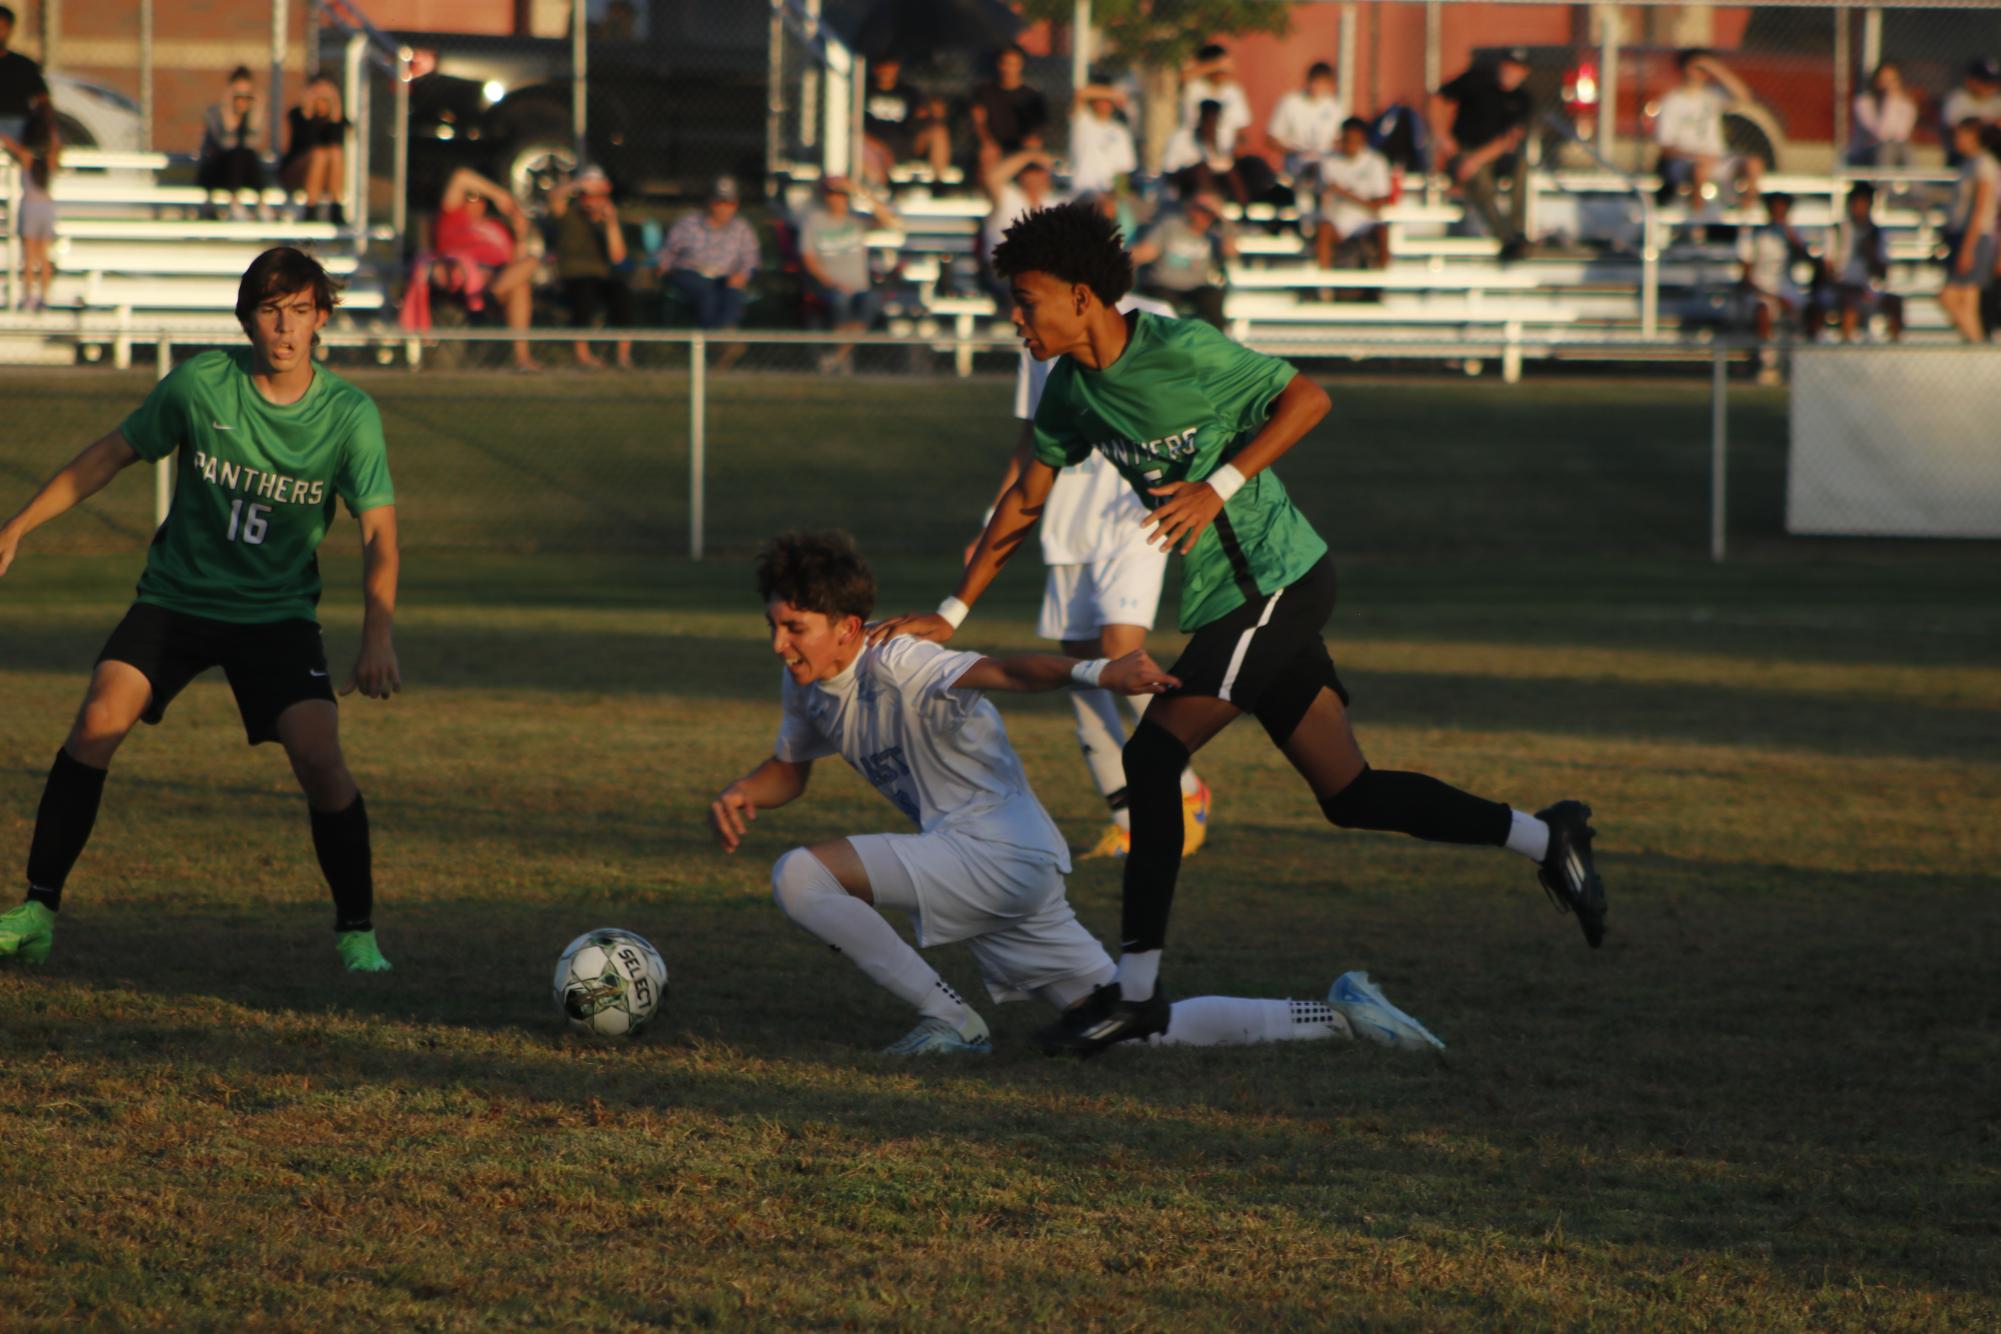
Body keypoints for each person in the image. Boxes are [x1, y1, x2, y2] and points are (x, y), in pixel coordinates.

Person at [867, 202, 1607, 1056]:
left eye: (1026, 299)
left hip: (1279, 581)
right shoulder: (1068, 389)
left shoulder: (1182, 349)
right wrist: (955, 610)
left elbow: (1308, 397)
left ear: (1080, 296)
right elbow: (1026, 499)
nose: (1015, 317)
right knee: (1351, 794)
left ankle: (1134, 995)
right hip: (1231, 599)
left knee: (1150, 757)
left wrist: (1217, 483)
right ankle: (1546, 837)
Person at [709, 530, 1446, 1056]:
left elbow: (1007, 671)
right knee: (1135, 1029)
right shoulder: (804, 682)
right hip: (1012, 866)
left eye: (794, 628)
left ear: (845, 626)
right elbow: (791, 768)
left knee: (800, 876)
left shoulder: (898, 658)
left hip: (988, 854)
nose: (779, 643)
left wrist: (1099, 673)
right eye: (774, 626)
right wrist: (748, 791)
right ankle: (1336, 1014)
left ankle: (949, 1022)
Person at [0, 248, 400, 972]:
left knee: (319, 758)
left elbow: (379, 533)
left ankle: (357, 930)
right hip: (177, 600)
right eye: (270, 311)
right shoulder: (200, 385)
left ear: (322, 319)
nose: (283, 328)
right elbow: (110, 455)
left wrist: (377, 637)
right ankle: (36, 909)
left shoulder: (348, 415)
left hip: (276, 615)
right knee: (97, 720)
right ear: (247, 318)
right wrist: (18, 526)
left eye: (300, 311)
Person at [971, 290, 1213, 862]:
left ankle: (1185, 790)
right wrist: (991, 523)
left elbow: (1193, 411)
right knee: (1082, 670)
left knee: (1119, 649)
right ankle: (1128, 816)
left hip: (1133, 511)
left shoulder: (1154, 318)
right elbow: (1032, 437)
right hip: (1068, 520)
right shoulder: (1037, 327)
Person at [435, 166, 541, 372]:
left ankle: (522, 359)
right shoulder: (452, 218)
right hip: (466, 276)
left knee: (527, 269)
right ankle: (494, 292)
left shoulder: (498, 227)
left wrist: (520, 235)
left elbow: (515, 262)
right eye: (472, 197)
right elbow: (460, 176)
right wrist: (499, 195)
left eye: (480, 199)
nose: (477, 202)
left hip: (500, 276)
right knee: (522, 277)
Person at [1432, 48, 1533, 261]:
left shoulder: (1522, 100)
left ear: (1524, 72)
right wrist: (1441, 135)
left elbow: (1508, 141)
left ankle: (1516, 229)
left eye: (1516, 68)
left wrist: (1475, 160)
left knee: (1522, 166)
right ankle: (1507, 238)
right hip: (1464, 150)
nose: (1510, 72)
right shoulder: (1476, 82)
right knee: (1479, 180)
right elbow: (1437, 98)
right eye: (1507, 66)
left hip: (1490, 156)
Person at [798, 175, 900, 374]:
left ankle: (837, 358)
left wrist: (860, 191)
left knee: (872, 300)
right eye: (833, 194)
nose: (837, 199)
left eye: (842, 194)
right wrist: (830, 282)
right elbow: (808, 260)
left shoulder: (856, 220)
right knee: (840, 301)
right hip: (829, 286)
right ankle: (843, 360)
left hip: (859, 287)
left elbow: (889, 221)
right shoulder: (814, 222)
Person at [549, 164, 633, 371]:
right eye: (587, 195)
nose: (592, 201)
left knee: (622, 294)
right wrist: (579, 184)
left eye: (597, 195)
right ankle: (583, 355)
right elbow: (554, 198)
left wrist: (611, 223)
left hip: (602, 276)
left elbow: (618, 257)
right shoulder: (568, 214)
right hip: (573, 274)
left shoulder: (610, 219)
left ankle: (623, 356)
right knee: (584, 295)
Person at [1653, 49, 1762, 206]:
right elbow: (1665, 146)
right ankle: (1697, 214)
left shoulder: (1713, 96)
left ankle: (1746, 211)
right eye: (1697, 68)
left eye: (1704, 70)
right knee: (1701, 169)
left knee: (1754, 164)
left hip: (1716, 158)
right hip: (1686, 161)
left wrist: (1716, 69)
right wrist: (1696, 156)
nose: (1701, 73)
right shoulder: (1672, 101)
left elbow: (1744, 96)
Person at [658, 175, 760, 342]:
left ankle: (725, 335)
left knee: (732, 291)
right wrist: (663, 266)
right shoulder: (688, 223)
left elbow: (751, 258)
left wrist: (742, 274)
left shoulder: (742, 228)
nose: (724, 208)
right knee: (707, 291)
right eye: (719, 202)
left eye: (729, 203)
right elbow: (667, 252)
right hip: (690, 273)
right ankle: (714, 340)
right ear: (710, 201)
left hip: (725, 276)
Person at [1129, 192, 1235, 328]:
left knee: (1213, 298)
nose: (1202, 217)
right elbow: (1148, 251)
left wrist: (1223, 217)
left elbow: (1230, 251)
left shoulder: (1213, 236)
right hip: (1164, 285)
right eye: (1199, 210)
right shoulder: (1170, 226)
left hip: (1195, 287)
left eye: (1208, 213)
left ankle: (1217, 341)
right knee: (1163, 304)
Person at [1738, 192, 1814, 381]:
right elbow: (1746, 278)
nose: (1779, 212)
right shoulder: (1753, 235)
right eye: (1775, 208)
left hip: (1787, 289)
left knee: (1810, 309)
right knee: (1763, 310)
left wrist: (1793, 240)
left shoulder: (1793, 235)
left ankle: (1797, 363)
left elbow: (1809, 265)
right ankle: (1767, 364)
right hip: (1760, 289)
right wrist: (1773, 297)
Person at [1817, 183, 1903, 343]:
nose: (1861, 209)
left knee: (1894, 302)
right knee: (1850, 304)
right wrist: (1845, 287)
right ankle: (1847, 346)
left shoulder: (1877, 234)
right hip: (1840, 289)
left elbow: (1883, 273)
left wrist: (1870, 253)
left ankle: (1895, 345)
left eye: (1865, 204)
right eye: (1858, 203)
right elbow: (1827, 269)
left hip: (1868, 289)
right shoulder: (1837, 231)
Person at [1939, 118, 1998, 342]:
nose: (1957, 140)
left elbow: (1979, 208)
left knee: (1948, 296)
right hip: (1964, 236)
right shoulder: (1969, 163)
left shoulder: (1983, 164)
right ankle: (1975, 353)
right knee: (1967, 304)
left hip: (1974, 238)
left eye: (1962, 135)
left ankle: (1980, 348)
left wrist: (1968, 248)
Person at [1314, 117, 1394, 272]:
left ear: (1362, 141)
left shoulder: (1376, 163)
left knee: (1383, 231)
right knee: (1324, 229)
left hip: (1366, 219)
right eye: (1346, 140)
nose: (1349, 145)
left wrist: (1344, 193)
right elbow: (1323, 200)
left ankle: (1383, 279)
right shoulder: (1329, 162)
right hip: (1338, 219)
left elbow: (1377, 206)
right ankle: (1324, 285)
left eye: (1354, 141)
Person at [980, 149, 1060, 303]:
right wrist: (1029, 155)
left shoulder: (1056, 203)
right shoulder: (1009, 196)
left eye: (1038, 171)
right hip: (1004, 271)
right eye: (1029, 171)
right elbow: (991, 178)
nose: (1034, 177)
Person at [861, 56, 951, 186]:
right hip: (872, 144)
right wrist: (876, 145)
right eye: (882, 67)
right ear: (875, 69)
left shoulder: (908, 92)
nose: (886, 71)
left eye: (890, 67)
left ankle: (938, 183)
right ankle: (879, 188)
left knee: (939, 132)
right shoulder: (864, 90)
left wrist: (934, 114)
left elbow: (921, 117)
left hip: (903, 144)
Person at [1, 98, 54, 311]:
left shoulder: (26, 156)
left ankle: (28, 297)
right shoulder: (50, 158)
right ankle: (44, 297)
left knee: (29, 255)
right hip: (48, 207)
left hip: (31, 207)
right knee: (44, 256)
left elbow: (7, 141)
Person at [970, 44, 1048, 179]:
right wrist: (988, 142)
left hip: (1021, 147)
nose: (1009, 69)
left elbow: (1037, 130)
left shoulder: (1032, 96)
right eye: (1006, 64)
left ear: (1020, 66)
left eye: (1014, 64)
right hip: (993, 144)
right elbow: (978, 121)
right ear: (999, 65)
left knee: (1040, 159)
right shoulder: (984, 92)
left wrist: (1031, 142)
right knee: (987, 155)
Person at [197, 66, 266, 215]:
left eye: (246, 96)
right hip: (217, 170)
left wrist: (257, 112)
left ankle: (261, 205)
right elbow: (226, 143)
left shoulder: (252, 116)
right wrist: (228, 112)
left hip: (244, 172)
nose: (241, 101)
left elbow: (253, 144)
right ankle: (235, 204)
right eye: (237, 96)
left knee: (248, 155)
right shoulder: (215, 113)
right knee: (237, 154)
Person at [281, 74, 348, 223]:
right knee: (318, 154)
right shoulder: (297, 115)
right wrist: (308, 111)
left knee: (334, 152)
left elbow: (336, 140)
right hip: (297, 171)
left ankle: (336, 208)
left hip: (325, 174)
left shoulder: (337, 119)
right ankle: (310, 209)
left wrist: (334, 109)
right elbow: (304, 141)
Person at [1267, 61, 1346, 179]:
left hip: (1325, 171)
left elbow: (1341, 139)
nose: (1317, 86)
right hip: (1295, 168)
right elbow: (1271, 138)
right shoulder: (1290, 102)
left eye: (1323, 82)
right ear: (1308, 80)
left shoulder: (1335, 108)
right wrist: (1294, 151)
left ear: (1330, 84)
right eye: (1315, 81)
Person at [1161, 99, 1248, 205]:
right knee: (1201, 169)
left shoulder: (1215, 143)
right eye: (1209, 121)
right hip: (1180, 194)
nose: (1212, 126)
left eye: (1215, 122)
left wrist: (1214, 148)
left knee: (1233, 172)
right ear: (1201, 119)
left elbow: (1224, 168)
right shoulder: (1180, 138)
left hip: (1209, 190)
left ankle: (1243, 209)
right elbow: (1169, 174)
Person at [1178, 43, 1252, 154]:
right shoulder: (1194, 87)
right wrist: (1215, 65)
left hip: (1223, 153)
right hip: (1191, 152)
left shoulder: (1233, 91)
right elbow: (1181, 78)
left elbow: (1240, 127)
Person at [1067, 84, 1136, 197]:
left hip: (1108, 194)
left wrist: (1119, 197)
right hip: (1082, 191)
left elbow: (1123, 170)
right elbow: (1080, 94)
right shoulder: (1082, 122)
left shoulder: (1120, 131)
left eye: (1108, 101)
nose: (1105, 104)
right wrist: (1115, 94)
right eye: (1101, 100)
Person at [1847, 62, 1918, 170]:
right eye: (1883, 80)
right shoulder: (1864, 103)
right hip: (1865, 153)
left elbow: (1902, 134)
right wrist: (1888, 102)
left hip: (1896, 149)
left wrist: (1893, 101)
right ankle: (1884, 184)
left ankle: (1915, 184)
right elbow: (1880, 133)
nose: (1887, 85)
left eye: (1891, 81)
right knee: (1886, 148)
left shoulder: (1906, 105)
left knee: (1904, 150)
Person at [0, 4, 49, 147]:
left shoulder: (24, 65)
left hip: (18, 125)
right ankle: (21, 154)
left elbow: (43, 100)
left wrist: (49, 131)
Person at [1940, 58, 2001, 166]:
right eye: (1985, 81)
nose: (1990, 86)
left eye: (1993, 82)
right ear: (1970, 80)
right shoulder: (1957, 100)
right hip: (1961, 158)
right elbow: (1959, 133)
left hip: (1994, 154)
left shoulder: (1997, 101)